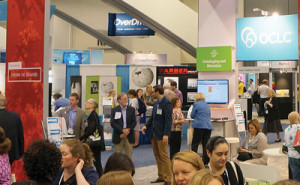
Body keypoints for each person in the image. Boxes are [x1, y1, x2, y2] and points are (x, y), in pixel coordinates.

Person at [142, 85, 172, 185]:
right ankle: (161, 176)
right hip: (154, 133)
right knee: (157, 155)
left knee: (164, 156)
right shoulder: (156, 103)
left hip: (162, 134)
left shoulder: (166, 103)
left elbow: (168, 120)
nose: (152, 93)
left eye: (153, 92)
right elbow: (153, 117)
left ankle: (168, 178)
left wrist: (166, 134)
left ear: (158, 92)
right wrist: (146, 126)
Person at [80, 99, 104, 177]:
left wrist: (81, 138)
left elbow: (90, 130)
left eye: (88, 103)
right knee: (96, 161)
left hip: (94, 143)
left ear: (93, 105)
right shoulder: (91, 115)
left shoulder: (93, 115)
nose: (86, 104)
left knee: (96, 161)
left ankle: (101, 177)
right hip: (94, 142)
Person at [110, 93, 136, 158]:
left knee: (129, 156)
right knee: (118, 157)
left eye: (127, 98)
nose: (126, 100)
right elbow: (113, 123)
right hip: (118, 135)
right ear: (119, 100)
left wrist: (127, 131)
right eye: (124, 99)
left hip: (129, 135)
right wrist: (122, 131)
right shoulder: (114, 110)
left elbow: (134, 122)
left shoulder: (132, 109)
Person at [0, 94, 24, 164]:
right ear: (6, 102)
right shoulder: (15, 116)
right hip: (11, 151)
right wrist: (21, 153)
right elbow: (20, 136)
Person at [190, 93, 213, 165]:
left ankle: (194, 160)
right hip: (208, 126)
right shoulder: (207, 105)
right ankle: (205, 161)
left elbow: (192, 115)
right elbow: (209, 115)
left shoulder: (196, 104)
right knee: (205, 144)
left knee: (195, 144)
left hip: (199, 126)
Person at [284, 112, 300, 181]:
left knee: (295, 177)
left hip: (291, 156)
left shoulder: (286, 130)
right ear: (298, 118)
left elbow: (286, 142)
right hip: (299, 154)